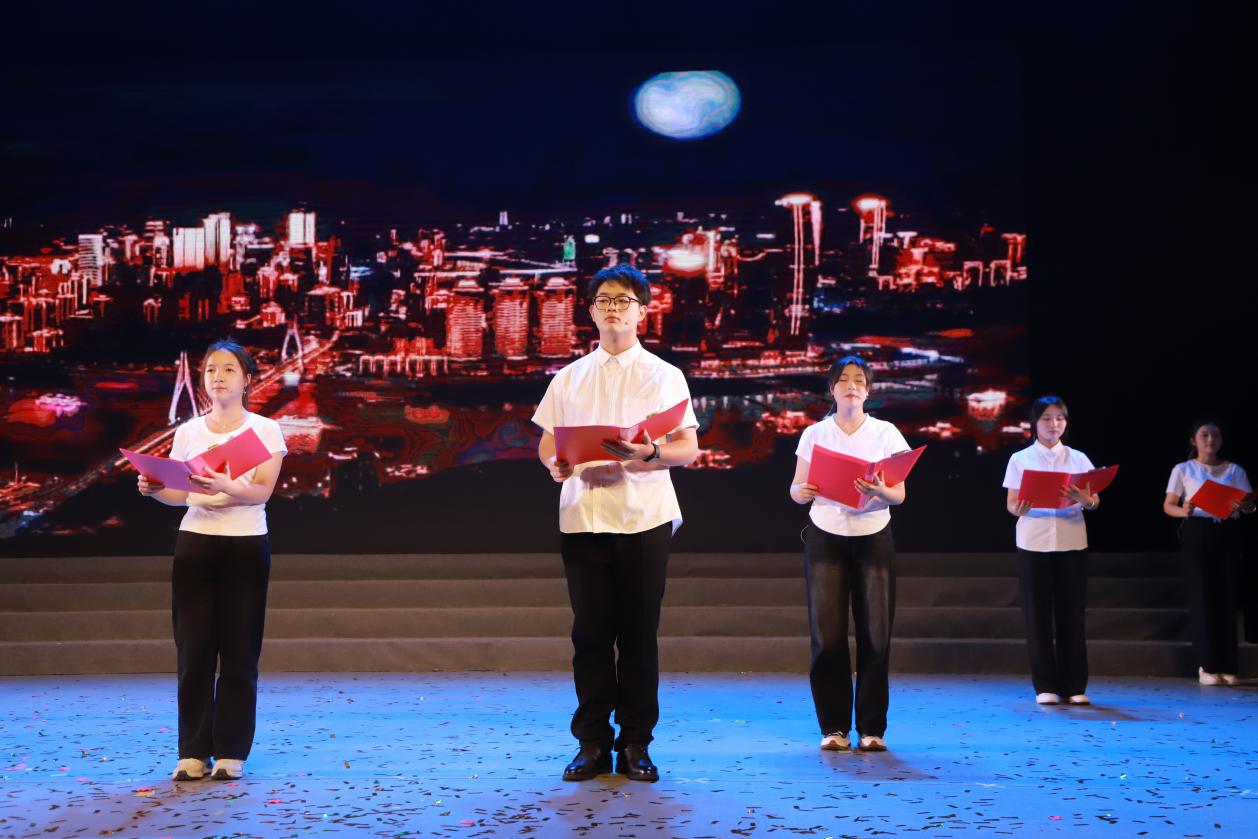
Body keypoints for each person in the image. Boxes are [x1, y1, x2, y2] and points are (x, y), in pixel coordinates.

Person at [532, 263, 699, 782]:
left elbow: (688, 448)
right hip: (583, 515)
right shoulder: (569, 377)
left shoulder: (665, 375)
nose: (613, 308)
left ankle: (635, 743)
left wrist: (650, 453)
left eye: (623, 300)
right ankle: (591, 743)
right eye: (603, 300)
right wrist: (554, 463)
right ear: (590, 311)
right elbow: (547, 441)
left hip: (644, 515)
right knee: (590, 635)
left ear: (642, 312)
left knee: (639, 635)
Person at [137, 339, 287, 781]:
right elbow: (180, 495)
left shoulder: (265, 430)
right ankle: (192, 751)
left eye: (228, 370)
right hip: (196, 543)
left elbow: (261, 492)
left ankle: (231, 752)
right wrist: (154, 490)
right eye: (209, 371)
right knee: (194, 649)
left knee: (239, 650)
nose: (217, 377)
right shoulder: (188, 432)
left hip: (245, 543)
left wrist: (226, 485)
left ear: (247, 380)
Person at [788, 354, 908, 752]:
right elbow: (796, 488)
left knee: (875, 634)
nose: (851, 385)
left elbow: (899, 494)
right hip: (826, 536)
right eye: (843, 379)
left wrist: (879, 490)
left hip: (873, 536)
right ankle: (834, 728)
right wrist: (802, 491)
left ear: (868, 390)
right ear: (832, 389)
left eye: (859, 379)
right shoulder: (815, 433)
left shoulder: (886, 433)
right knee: (828, 636)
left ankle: (872, 728)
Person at [1002, 395, 1101, 706]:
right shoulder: (1020, 459)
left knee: (1072, 614)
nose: (1053, 424)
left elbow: (1094, 500)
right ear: (1035, 422)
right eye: (1046, 418)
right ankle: (1045, 685)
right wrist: (1020, 507)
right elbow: (1011, 504)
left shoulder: (1078, 458)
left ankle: (1074, 685)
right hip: (1033, 541)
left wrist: (1084, 499)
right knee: (1038, 615)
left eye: (1059, 418)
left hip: (1072, 540)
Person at [1162, 420, 1256, 685]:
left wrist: (1245, 506)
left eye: (1215, 435)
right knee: (1202, 595)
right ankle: (1207, 665)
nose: (1210, 439)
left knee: (1227, 596)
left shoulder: (1235, 470)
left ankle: (1228, 666)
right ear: (1194, 440)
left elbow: (1249, 506)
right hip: (1197, 531)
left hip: (1226, 531)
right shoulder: (1184, 469)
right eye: (1204, 435)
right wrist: (1185, 511)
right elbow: (1169, 505)